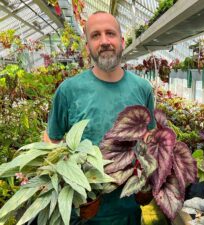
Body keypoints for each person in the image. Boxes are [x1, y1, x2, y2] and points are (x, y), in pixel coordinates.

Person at [47, 11, 156, 225]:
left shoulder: (142, 89)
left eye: (110, 33)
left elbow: (150, 139)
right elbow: (52, 140)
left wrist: (149, 183)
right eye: (95, 36)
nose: (104, 41)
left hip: (129, 211)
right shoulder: (68, 90)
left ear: (122, 41)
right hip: (84, 213)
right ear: (87, 46)